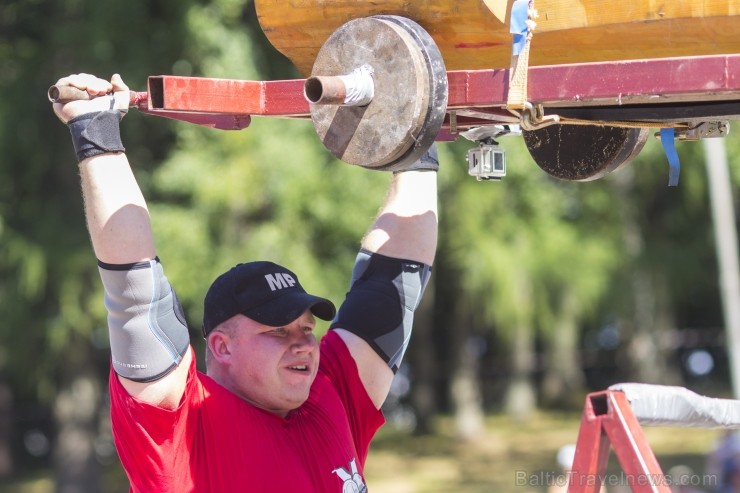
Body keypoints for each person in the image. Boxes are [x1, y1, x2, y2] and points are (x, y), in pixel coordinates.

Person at [51, 73, 439, 492]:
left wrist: (416, 126)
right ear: (222, 346)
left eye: (308, 328)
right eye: (278, 330)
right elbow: (135, 292)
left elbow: (393, 283)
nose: (303, 343)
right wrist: (95, 129)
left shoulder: (328, 393)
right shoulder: (182, 428)